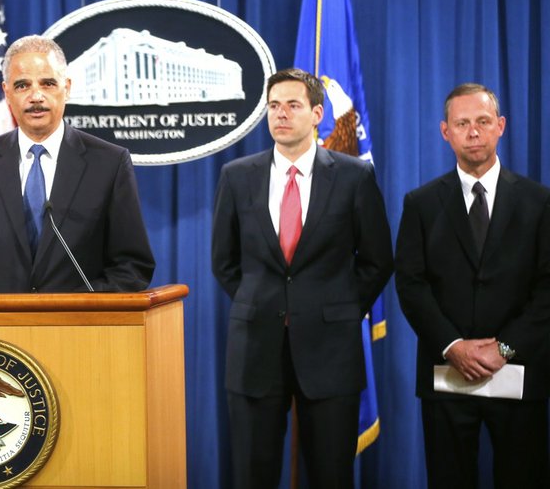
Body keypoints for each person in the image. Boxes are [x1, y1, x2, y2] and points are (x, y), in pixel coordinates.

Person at [211, 67, 393, 488]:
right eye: (274, 106)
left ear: (316, 114)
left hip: (330, 351)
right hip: (256, 349)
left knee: (331, 476)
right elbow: (224, 261)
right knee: (253, 475)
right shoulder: (237, 177)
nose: (281, 115)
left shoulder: (353, 177)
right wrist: (264, 304)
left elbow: (378, 260)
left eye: (293, 105)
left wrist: (338, 309)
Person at [395, 83, 550, 488]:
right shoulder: (421, 203)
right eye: (462, 124)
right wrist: (453, 346)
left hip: (518, 371)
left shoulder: (540, 202)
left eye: (483, 122)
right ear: (446, 132)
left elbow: (548, 289)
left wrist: (503, 348)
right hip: (448, 373)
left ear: (501, 126)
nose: (474, 132)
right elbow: (411, 285)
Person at [0, 35, 154, 293]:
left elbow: (132, 267)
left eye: (47, 83)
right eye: (23, 85)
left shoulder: (109, 163)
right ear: (7, 93)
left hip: (78, 328)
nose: (36, 96)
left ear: (67, 88)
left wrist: (75, 307)